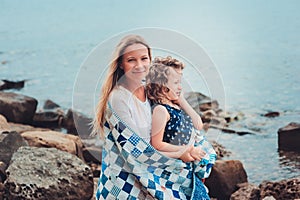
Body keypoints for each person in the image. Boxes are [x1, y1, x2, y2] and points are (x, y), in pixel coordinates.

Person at [94, 34, 216, 199]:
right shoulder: (118, 98)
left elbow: (182, 124)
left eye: (144, 58)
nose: (139, 65)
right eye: (131, 60)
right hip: (125, 180)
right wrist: (181, 152)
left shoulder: (150, 91)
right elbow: (135, 151)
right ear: (121, 64)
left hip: (152, 169)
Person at [146, 56, 207, 162]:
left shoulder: (176, 105)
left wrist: (182, 101)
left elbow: (198, 125)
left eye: (180, 82)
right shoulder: (161, 110)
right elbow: (157, 144)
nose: (180, 87)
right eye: (176, 83)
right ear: (163, 88)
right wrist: (187, 150)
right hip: (177, 160)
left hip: (188, 155)